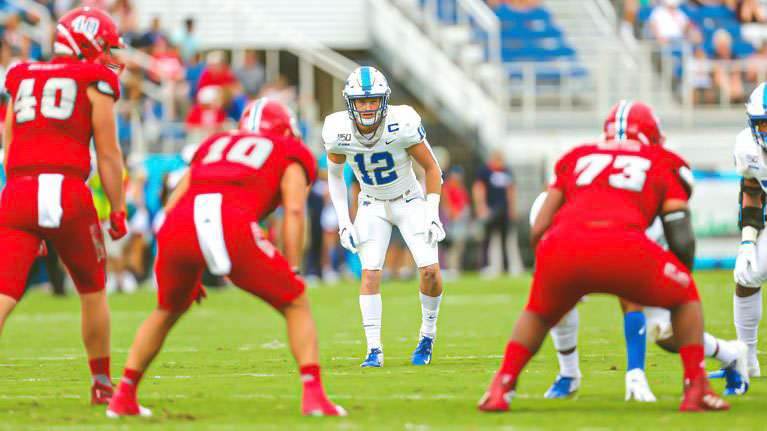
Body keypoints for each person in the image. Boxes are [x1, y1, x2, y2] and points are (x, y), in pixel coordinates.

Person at [478, 101, 730, 413]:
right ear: (652, 135)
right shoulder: (662, 160)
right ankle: (697, 389)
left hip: (564, 244)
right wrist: (678, 277)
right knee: (686, 297)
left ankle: (500, 387)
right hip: (625, 244)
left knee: (538, 313)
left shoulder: (579, 155)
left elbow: (541, 224)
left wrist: (545, 266)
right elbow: (681, 237)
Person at [106, 97, 346, 417]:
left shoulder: (215, 142)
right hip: (231, 222)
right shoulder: (290, 150)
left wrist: (188, 266)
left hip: (180, 225)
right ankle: (314, 396)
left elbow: (171, 206)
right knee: (296, 300)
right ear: (286, 130)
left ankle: (123, 396)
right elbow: (294, 208)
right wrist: (293, 266)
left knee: (166, 309)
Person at [0, 7, 127, 404]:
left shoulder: (20, 75)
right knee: (92, 289)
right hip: (68, 192)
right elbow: (108, 154)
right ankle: (102, 383)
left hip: (18, 190)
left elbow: (8, 147)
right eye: (104, 46)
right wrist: (119, 210)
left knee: (3, 293)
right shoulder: (95, 79)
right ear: (87, 41)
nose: (108, 55)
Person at [323, 66, 445, 367]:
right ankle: (373, 349)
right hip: (371, 203)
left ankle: (427, 336)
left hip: (409, 200)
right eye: (361, 101)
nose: (367, 107)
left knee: (429, 271)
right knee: (371, 272)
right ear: (350, 102)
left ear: (384, 100)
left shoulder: (401, 122)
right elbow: (336, 177)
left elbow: (432, 169)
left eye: (373, 100)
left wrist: (432, 213)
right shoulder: (337, 131)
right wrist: (343, 221)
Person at [729, 81, 767, 380]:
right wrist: (747, 242)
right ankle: (747, 357)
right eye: (763, 124)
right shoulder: (747, 146)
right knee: (746, 273)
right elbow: (751, 189)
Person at [473, 151, 518, 276]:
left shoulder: (507, 170)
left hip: (503, 210)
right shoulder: (485, 170)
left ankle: (506, 267)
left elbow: (511, 189)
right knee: (487, 239)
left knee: (505, 239)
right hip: (490, 211)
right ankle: (486, 266)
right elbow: (479, 188)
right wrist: (480, 206)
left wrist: (512, 208)